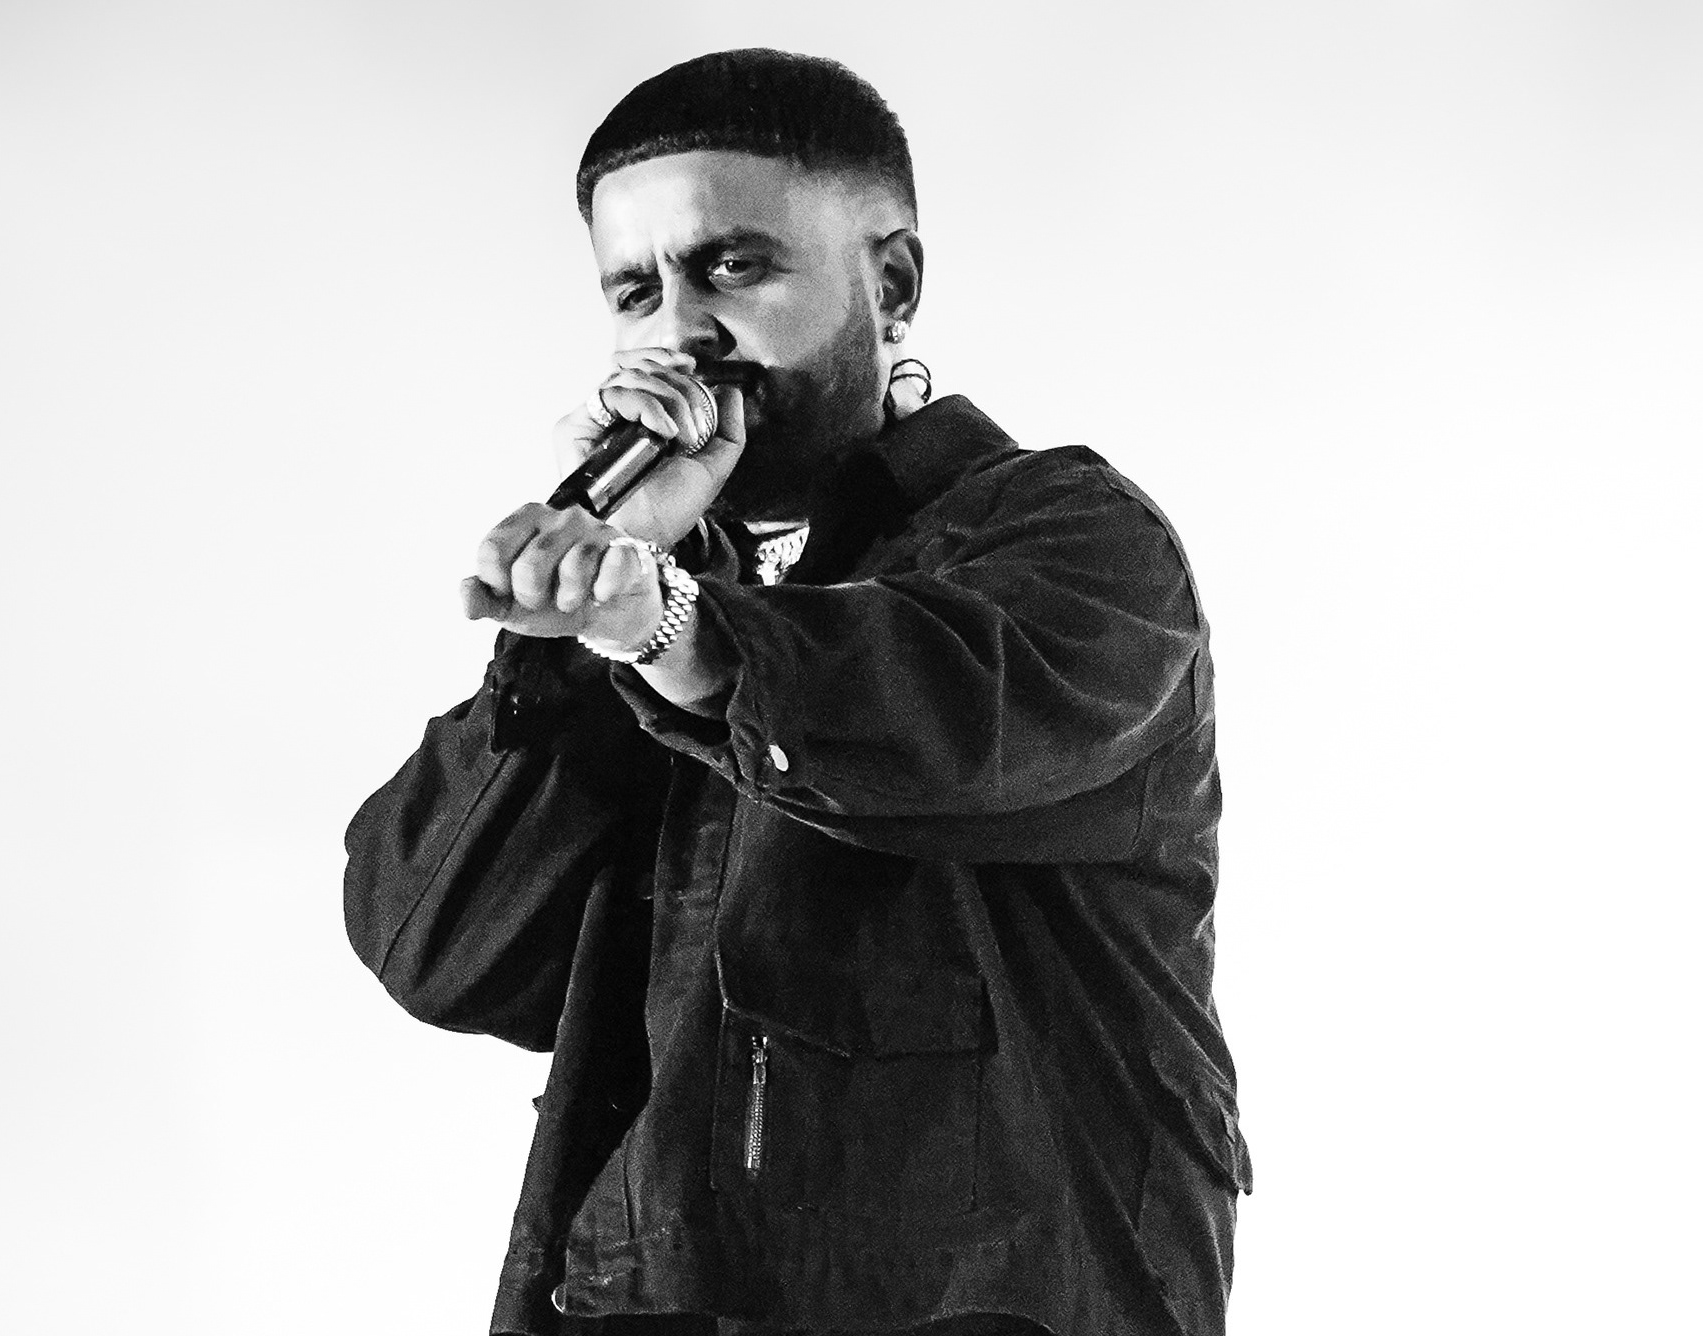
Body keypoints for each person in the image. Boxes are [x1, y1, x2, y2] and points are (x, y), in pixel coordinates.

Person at [344, 48, 1251, 1336]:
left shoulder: (1075, 543)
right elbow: (438, 953)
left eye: (733, 267)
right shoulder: (648, 609)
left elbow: (930, 714)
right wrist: (590, 596)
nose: (679, 332)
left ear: (893, 284)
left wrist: (671, 625)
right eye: (634, 291)